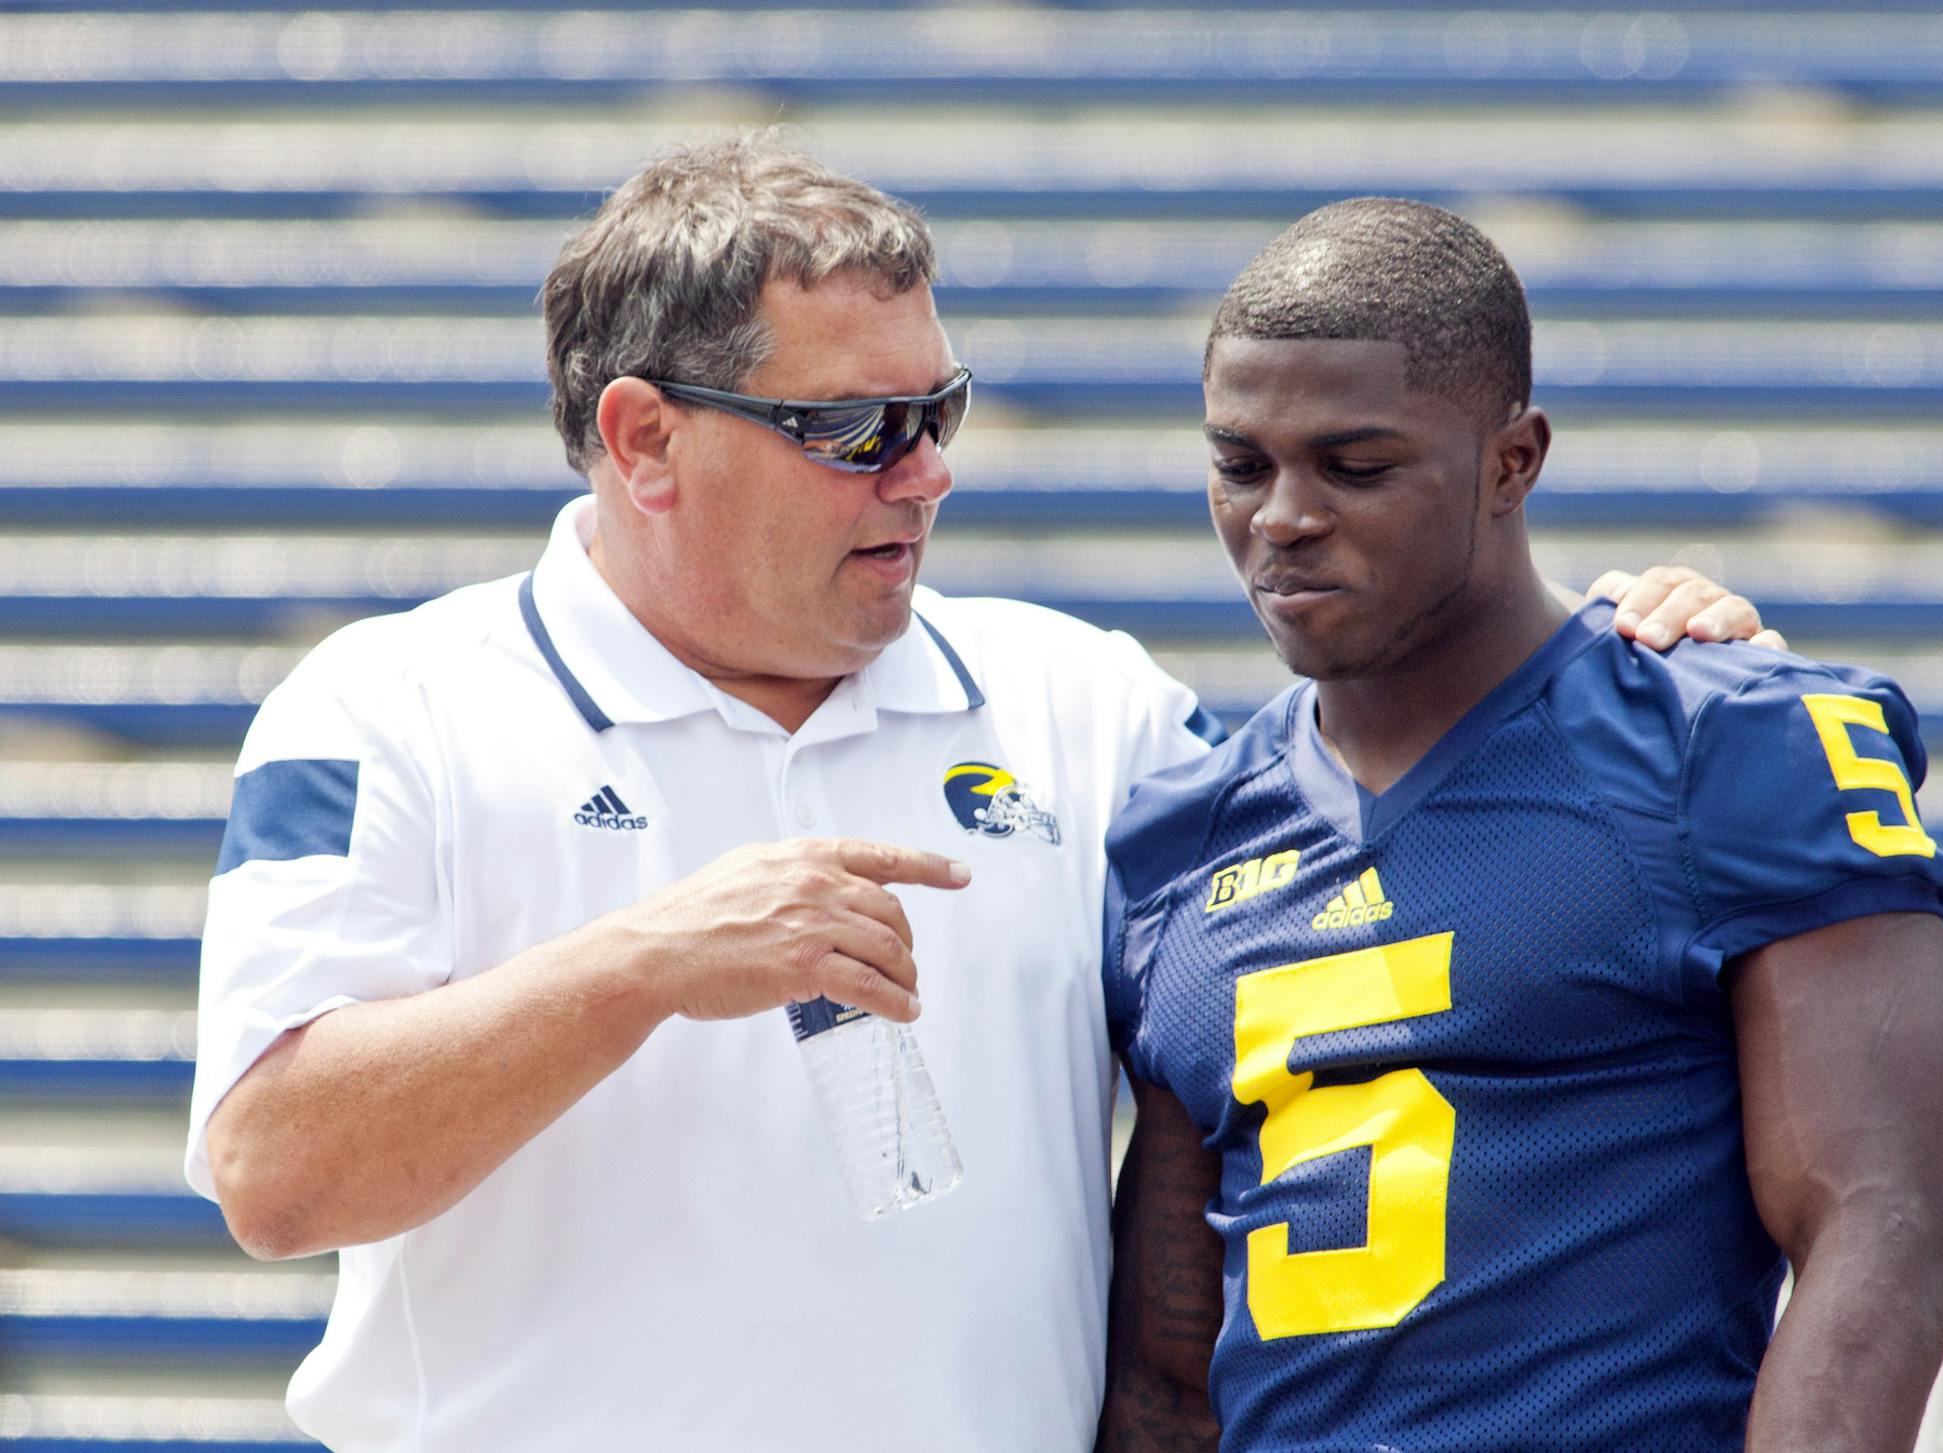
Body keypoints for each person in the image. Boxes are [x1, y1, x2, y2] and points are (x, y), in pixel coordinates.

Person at [187, 137, 1774, 1452]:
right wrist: (645, 963)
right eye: (854, 431)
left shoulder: (1081, 705)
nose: (925, 472)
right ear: (643, 438)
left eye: (936, 412)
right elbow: (278, 1172)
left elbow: (1399, 845)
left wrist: (1622, 658)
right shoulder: (392, 707)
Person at [1097, 199, 1943, 1453]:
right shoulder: (1182, 838)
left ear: (1514, 460)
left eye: (1354, 465)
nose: (1284, 515)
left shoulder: (1729, 742)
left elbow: (1876, 1234)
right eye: (1243, 464)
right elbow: (1167, 1378)